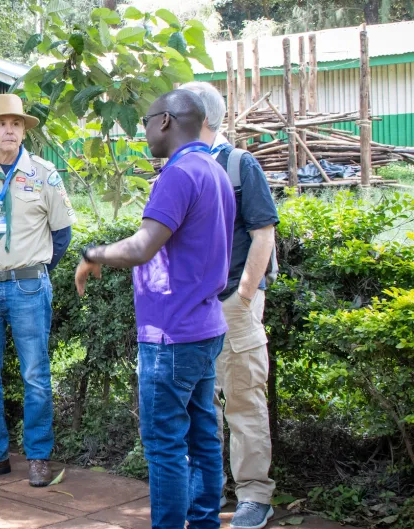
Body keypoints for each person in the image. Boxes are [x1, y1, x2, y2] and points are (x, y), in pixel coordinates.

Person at [74, 89, 235, 529]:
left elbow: (142, 247)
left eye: (145, 122)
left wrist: (92, 253)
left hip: (172, 335)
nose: (143, 131)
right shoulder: (214, 169)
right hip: (204, 326)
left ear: (165, 121)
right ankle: (204, 523)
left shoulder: (179, 174)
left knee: (165, 446)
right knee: (203, 437)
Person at [0, 94, 74, 488]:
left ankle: (38, 456)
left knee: (35, 375)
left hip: (28, 287)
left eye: (16, 123)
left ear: (24, 131)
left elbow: (62, 233)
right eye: (1, 124)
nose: (9, 130)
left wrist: (32, 270)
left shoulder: (44, 173)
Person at [182, 81, 279, 529]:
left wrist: (243, 296)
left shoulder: (240, 164)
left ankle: (255, 495)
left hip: (232, 304)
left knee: (242, 400)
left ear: (201, 117)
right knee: (202, 403)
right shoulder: (182, 166)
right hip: (193, 308)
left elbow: (263, 233)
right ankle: (208, 489)